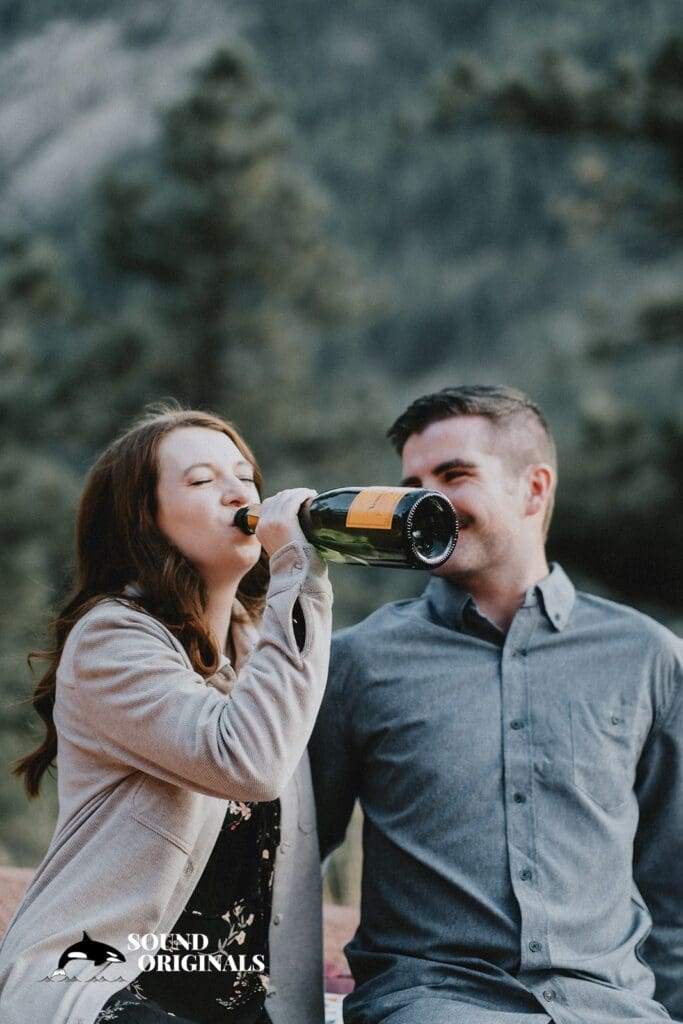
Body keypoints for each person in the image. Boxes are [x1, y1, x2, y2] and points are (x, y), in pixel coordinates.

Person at [310, 385, 683, 1024]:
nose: (423, 501)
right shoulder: (355, 663)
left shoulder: (647, 655)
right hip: (434, 1006)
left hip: (617, 1011)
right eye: (412, 483)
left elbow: (674, 886)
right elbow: (288, 862)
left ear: (534, 490)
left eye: (454, 475)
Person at [0, 406, 333, 1024]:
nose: (239, 494)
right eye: (203, 481)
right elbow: (249, 762)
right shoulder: (111, 640)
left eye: (245, 475)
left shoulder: (262, 643)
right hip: (106, 986)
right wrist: (299, 573)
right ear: (143, 523)